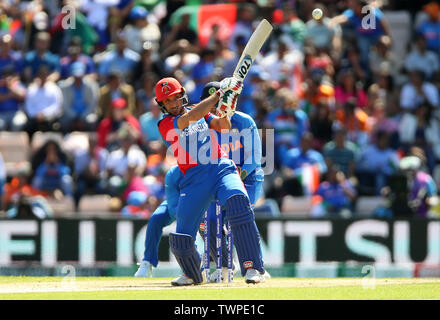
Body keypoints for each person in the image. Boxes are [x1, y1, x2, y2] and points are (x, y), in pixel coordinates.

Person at [135, 81, 267, 283]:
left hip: (220, 167)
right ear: (161, 104)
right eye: (167, 101)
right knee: (182, 236)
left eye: (175, 97)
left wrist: (225, 110)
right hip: (194, 178)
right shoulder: (165, 124)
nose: (172, 104)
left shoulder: (202, 113)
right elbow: (189, 118)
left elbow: (222, 127)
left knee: (238, 203)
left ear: (183, 95)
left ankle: (252, 268)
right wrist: (218, 96)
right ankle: (192, 273)